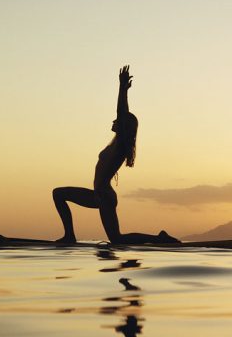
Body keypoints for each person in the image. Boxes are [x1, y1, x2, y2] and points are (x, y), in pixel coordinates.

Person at [53, 66, 178, 245]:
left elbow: (121, 111)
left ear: (123, 126)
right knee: (58, 194)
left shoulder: (120, 145)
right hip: (99, 194)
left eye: (117, 120)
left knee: (117, 239)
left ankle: (160, 239)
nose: (113, 121)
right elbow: (122, 114)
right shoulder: (116, 143)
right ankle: (69, 236)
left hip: (103, 195)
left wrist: (122, 89)